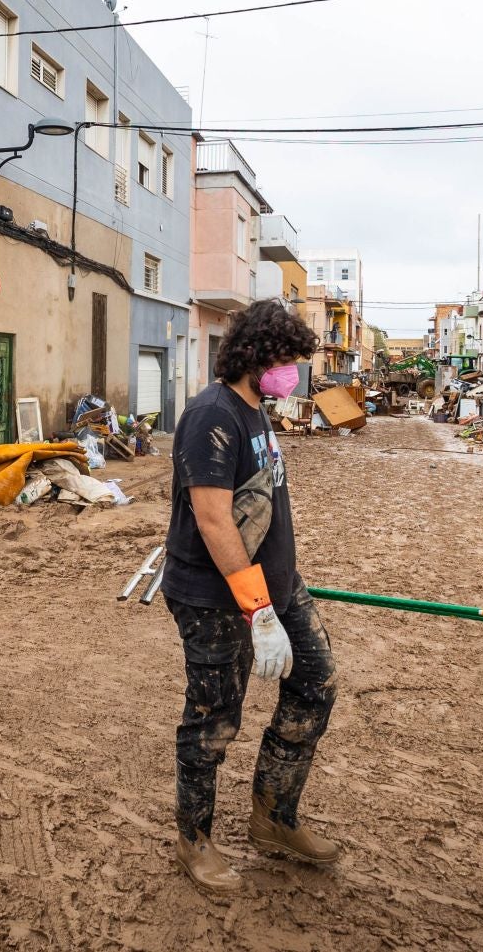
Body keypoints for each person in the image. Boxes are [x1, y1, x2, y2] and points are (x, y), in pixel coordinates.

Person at [161, 298, 339, 895]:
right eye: (285, 359)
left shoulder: (257, 409)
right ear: (257, 355)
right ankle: (195, 839)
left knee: (315, 683)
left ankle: (274, 818)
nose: (291, 373)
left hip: (279, 586)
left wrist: (278, 589)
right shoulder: (212, 414)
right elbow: (214, 521)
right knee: (214, 720)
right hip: (218, 597)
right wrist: (257, 609)